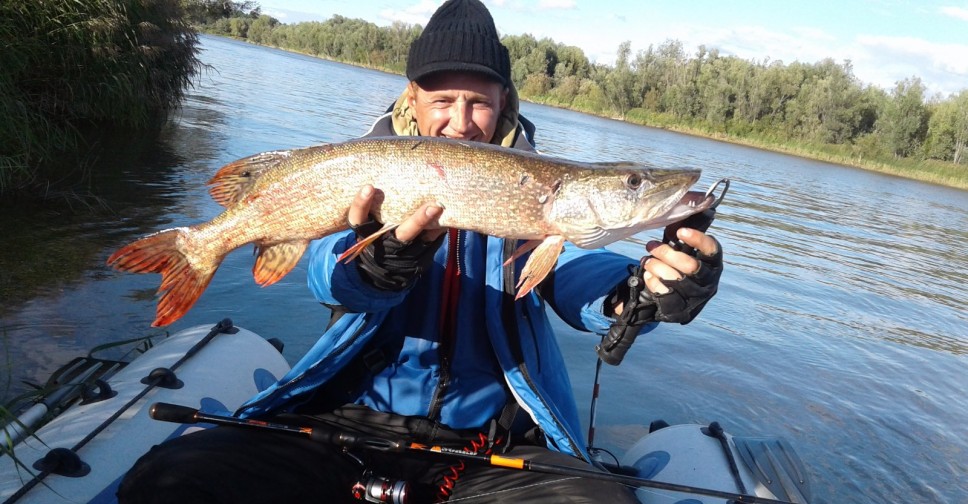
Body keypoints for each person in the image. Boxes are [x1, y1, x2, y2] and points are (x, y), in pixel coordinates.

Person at [117, 0, 723, 502]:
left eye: (479, 101)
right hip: (342, 422)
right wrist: (376, 264)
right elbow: (330, 278)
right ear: (413, 98)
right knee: (172, 480)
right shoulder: (366, 167)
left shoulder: (537, 188)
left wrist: (639, 290)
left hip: (488, 449)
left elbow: (569, 279)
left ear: (505, 102)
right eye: (443, 101)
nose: (460, 122)